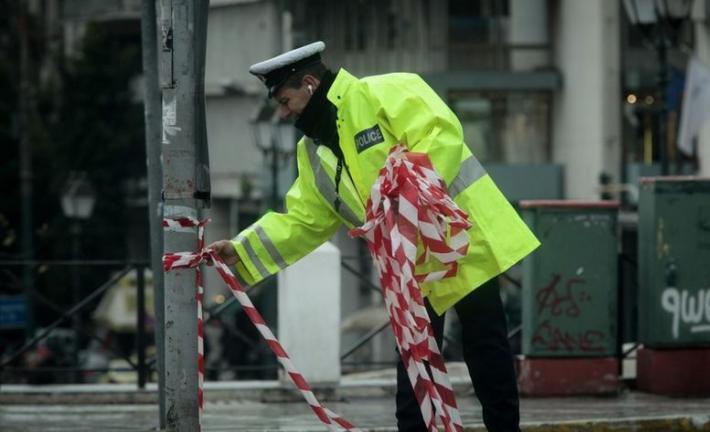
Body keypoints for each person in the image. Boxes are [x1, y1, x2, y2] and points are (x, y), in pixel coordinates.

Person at [208, 41, 540, 432]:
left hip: (460, 239)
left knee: (485, 346)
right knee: (413, 357)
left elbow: (440, 136)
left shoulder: (386, 90)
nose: (283, 112)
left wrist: (405, 197)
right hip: (408, 263)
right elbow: (303, 219)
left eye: (286, 99)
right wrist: (240, 249)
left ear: (310, 84)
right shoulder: (312, 152)